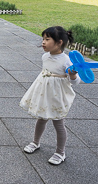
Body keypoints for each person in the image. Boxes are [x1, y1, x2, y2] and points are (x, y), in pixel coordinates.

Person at [19, 26, 81, 165]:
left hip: (57, 95)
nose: (43, 42)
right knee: (41, 118)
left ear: (59, 43)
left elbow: (76, 82)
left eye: (47, 39)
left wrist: (73, 74)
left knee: (58, 123)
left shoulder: (66, 61)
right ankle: (35, 142)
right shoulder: (45, 56)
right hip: (43, 92)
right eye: (43, 39)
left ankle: (60, 152)